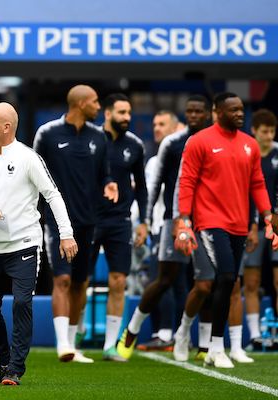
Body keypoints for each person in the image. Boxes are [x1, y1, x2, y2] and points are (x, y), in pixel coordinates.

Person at [0, 102, 75, 386]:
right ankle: (3, 361)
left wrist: (66, 234)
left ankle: (15, 368)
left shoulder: (29, 158)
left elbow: (52, 195)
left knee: (20, 303)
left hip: (25, 245)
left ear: (7, 127)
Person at [172, 92, 272, 368]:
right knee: (226, 277)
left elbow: (258, 184)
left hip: (239, 223)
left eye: (242, 110)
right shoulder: (200, 141)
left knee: (229, 282)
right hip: (209, 221)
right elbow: (187, 181)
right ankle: (215, 348)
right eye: (234, 110)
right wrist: (184, 220)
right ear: (217, 111)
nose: (240, 114)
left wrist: (267, 216)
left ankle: (193, 335)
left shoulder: (249, 145)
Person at [117, 96, 211, 360]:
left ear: (208, 114)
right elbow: (154, 187)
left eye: (199, 111)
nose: (194, 115)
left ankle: (202, 344)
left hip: (209, 220)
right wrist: (149, 221)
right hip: (173, 220)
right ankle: (132, 330)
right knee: (165, 278)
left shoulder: (216, 141)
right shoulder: (172, 144)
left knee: (206, 283)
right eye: (190, 110)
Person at [33, 85, 118, 363]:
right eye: (95, 102)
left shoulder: (99, 137)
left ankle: (71, 343)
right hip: (56, 223)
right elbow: (33, 174)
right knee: (63, 279)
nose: (98, 107)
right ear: (81, 104)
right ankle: (61, 344)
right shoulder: (47, 133)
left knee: (81, 282)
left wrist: (109, 185)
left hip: (88, 220)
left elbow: (105, 174)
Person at [88, 94, 147, 361]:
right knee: (81, 281)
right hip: (89, 219)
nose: (127, 117)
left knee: (119, 281)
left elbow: (143, 188)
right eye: (122, 112)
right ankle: (74, 337)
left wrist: (143, 221)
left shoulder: (134, 145)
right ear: (108, 113)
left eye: (129, 113)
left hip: (120, 222)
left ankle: (109, 345)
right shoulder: (90, 138)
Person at [138, 109, 183, 352]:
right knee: (170, 282)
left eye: (162, 124)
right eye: (154, 123)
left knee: (164, 280)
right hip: (161, 226)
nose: (156, 128)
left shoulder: (176, 157)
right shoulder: (155, 160)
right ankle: (171, 334)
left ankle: (168, 333)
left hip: (170, 225)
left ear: (175, 128)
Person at [242, 109, 278, 350]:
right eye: (264, 131)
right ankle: (255, 335)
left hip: (276, 223)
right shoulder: (246, 153)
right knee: (252, 281)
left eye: (272, 131)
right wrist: (251, 224)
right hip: (251, 224)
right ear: (254, 130)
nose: (268, 135)